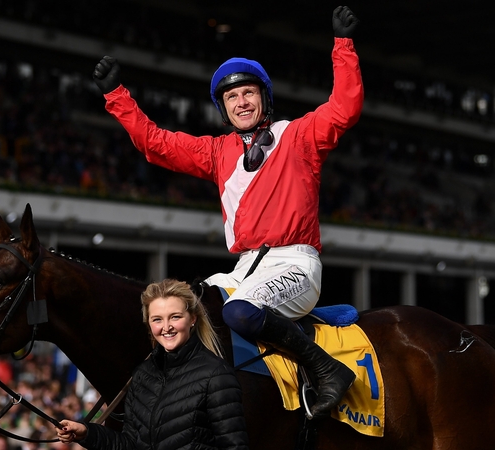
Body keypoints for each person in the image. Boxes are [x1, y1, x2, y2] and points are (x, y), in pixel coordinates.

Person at [91, 6, 362, 419]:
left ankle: (328, 371)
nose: (241, 102)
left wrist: (343, 45)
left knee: (238, 311)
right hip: (246, 269)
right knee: (184, 307)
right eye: (232, 97)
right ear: (224, 108)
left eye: (248, 92)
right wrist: (117, 95)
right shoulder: (218, 151)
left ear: (264, 98)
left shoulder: (298, 135)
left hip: (296, 264)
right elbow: (155, 143)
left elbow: (344, 108)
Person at [57, 279, 248, 449]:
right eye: (157, 319)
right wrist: (87, 434)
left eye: (175, 317)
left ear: (192, 319)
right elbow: (130, 443)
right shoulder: (142, 374)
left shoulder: (217, 375)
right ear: (149, 324)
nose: (166, 327)